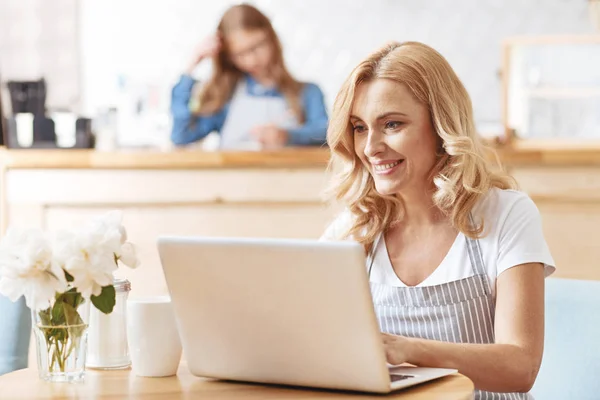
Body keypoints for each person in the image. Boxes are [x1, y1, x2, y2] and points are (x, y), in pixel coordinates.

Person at [320, 41, 555, 399]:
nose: (370, 147)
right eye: (359, 127)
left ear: (442, 126)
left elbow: (520, 366)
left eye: (392, 124)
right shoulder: (353, 230)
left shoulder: (506, 215)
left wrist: (408, 349)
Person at [170, 4, 328, 149]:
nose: (251, 60)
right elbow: (181, 136)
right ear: (228, 58)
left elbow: (326, 135)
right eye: (239, 54)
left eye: (257, 46)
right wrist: (192, 65)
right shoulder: (225, 97)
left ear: (272, 38)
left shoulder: (308, 92)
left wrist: (288, 136)